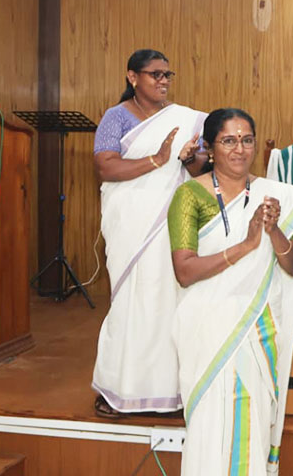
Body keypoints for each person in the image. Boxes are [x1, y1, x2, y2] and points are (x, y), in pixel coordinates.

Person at [168, 108, 293, 475]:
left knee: (252, 426)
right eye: (229, 141)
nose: (240, 149)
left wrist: (274, 229)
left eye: (247, 140)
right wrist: (247, 246)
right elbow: (184, 271)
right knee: (211, 427)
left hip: (257, 331)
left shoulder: (272, 195)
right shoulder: (189, 197)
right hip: (208, 331)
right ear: (210, 147)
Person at [91, 49, 206, 417]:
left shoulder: (182, 120)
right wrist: (156, 159)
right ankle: (117, 390)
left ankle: (168, 392)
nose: (163, 81)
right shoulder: (116, 117)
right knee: (131, 306)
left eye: (167, 75)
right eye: (155, 74)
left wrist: (187, 158)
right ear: (132, 77)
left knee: (168, 306)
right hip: (132, 228)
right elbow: (106, 167)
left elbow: (200, 169)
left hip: (170, 224)